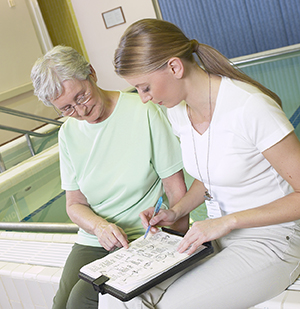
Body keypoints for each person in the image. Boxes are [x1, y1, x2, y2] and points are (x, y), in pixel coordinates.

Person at [99, 18, 300, 309]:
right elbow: (210, 176)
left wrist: (227, 222)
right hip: (211, 236)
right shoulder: (178, 111)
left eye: (145, 87)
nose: (144, 99)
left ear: (174, 67)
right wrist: (175, 211)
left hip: (271, 239)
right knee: (115, 298)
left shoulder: (250, 108)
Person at [30, 45, 188, 309]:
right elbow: (75, 204)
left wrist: (170, 244)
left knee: (82, 300)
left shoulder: (144, 111)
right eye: (66, 108)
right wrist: (99, 227)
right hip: (95, 238)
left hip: (141, 236)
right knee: (60, 305)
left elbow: (176, 191)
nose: (79, 112)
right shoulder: (68, 133)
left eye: (81, 98)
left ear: (91, 73)